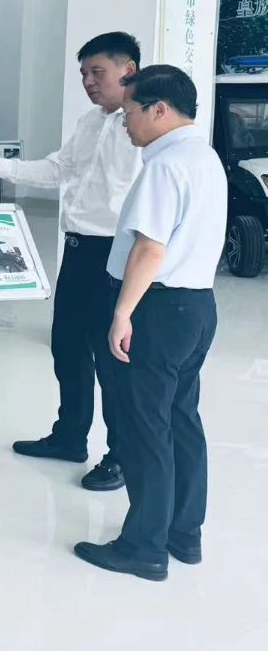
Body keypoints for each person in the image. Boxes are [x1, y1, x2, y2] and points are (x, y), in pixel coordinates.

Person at [0, 32, 141, 491]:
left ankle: (122, 455)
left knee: (113, 362)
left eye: (97, 72)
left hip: (116, 255)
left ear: (128, 70)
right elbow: (58, 169)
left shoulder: (141, 129)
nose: (88, 82)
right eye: (84, 73)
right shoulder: (89, 122)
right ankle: (69, 437)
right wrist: (1, 167)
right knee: (68, 349)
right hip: (77, 251)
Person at [75, 65, 225, 581]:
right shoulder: (204, 157)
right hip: (196, 306)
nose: (125, 123)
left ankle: (143, 547)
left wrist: (122, 313)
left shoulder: (165, 166)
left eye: (130, 112)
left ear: (159, 110)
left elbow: (149, 248)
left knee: (145, 428)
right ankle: (184, 534)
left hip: (156, 309)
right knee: (182, 419)